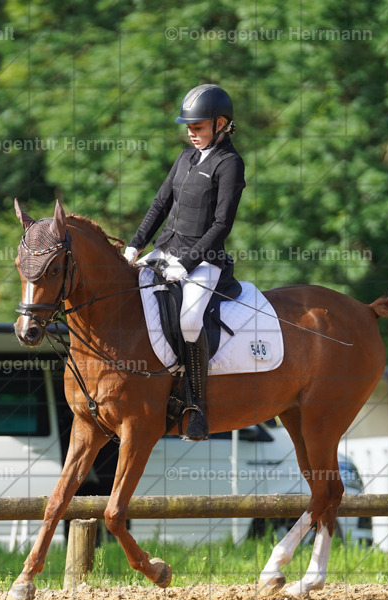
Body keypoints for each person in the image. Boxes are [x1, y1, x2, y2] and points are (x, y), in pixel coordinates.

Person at [124, 83, 246, 441]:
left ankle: (195, 407)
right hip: (165, 249)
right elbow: (160, 205)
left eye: (198, 127)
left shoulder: (230, 164)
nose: (191, 133)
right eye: (189, 127)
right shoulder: (185, 158)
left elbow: (221, 225)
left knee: (190, 320)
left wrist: (188, 263)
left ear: (220, 124)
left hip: (204, 260)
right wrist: (134, 245)